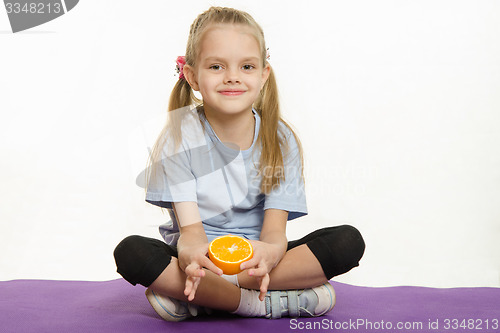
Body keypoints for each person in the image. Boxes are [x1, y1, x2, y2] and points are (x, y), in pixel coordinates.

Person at [114, 6, 365, 321]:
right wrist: (193, 260)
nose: (232, 76)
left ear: (263, 74)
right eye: (217, 66)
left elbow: (274, 233)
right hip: (202, 257)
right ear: (191, 75)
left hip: (257, 260)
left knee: (347, 242)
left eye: (246, 66)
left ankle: (201, 299)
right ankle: (262, 303)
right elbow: (191, 233)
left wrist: (270, 254)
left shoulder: (281, 139)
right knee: (132, 253)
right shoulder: (178, 138)